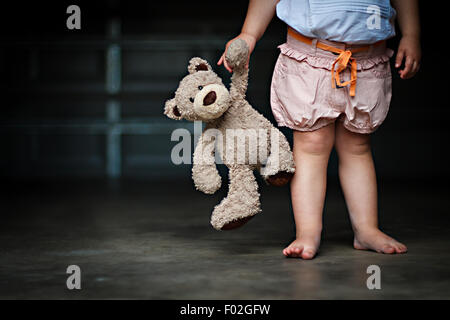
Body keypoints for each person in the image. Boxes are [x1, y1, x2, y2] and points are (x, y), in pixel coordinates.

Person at [218, 0, 421, 259]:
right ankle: (308, 232)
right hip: (309, 59)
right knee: (311, 147)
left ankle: (366, 229)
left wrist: (411, 34)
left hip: (367, 62)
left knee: (357, 147)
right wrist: (249, 33)